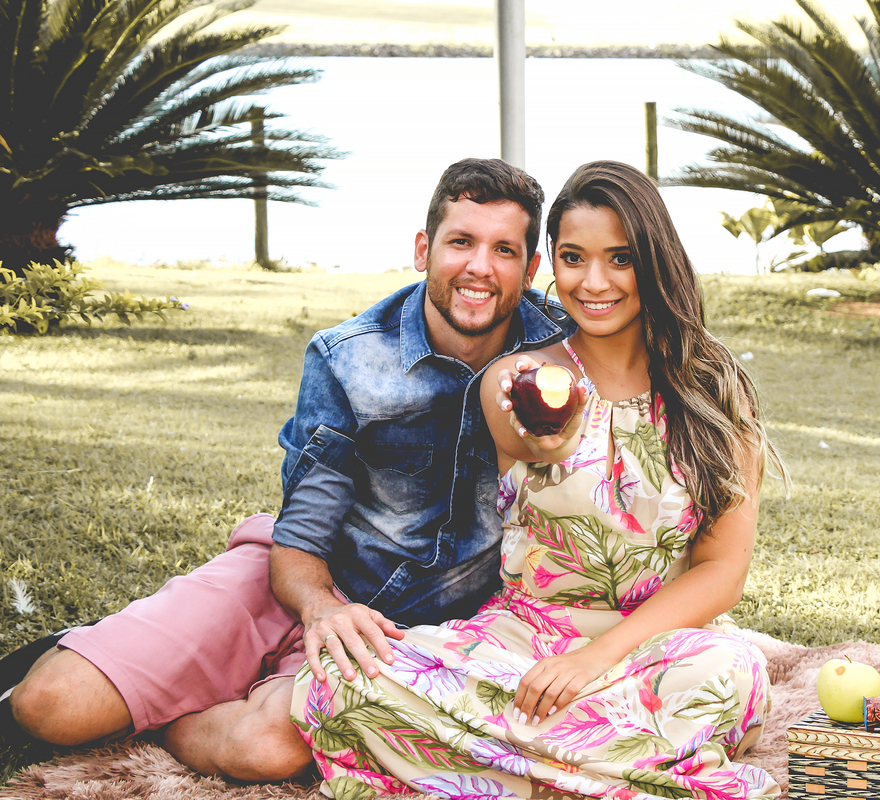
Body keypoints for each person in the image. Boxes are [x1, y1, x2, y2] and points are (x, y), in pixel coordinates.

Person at [2, 158, 572, 781]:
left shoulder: (565, 354)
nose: (480, 267)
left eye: (504, 250)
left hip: (409, 634)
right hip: (299, 582)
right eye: (461, 242)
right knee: (48, 706)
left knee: (268, 750)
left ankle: (178, 703)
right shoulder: (349, 358)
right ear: (422, 249)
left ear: (530, 269)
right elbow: (302, 530)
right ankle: (137, 650)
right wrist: (319, 607)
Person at [291, 161, 789, 799]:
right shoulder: (517, 378)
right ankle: (620, 777)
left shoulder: (713, 391)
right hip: (523, 644)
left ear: (655, 261)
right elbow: (535, 435)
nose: (594, 282)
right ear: (551, 263)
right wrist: (552, 434)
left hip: (662, 650)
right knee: (341, 683)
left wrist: (595, 659)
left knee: (728, 672)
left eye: (620, 259)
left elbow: (722, 572)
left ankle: (503, 774)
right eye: (573, 258)